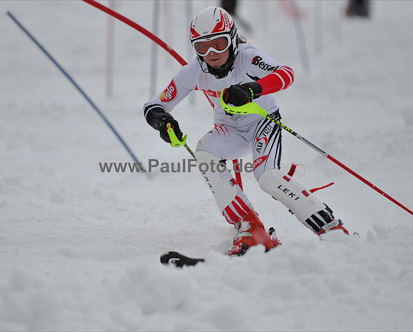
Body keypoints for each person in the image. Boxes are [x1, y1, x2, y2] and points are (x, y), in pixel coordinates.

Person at [143, 7, 349, 256]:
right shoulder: (194, 71)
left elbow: (286, 74)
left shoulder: (248, 57)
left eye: (218, 44)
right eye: (202, 47)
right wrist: (163, 121)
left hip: (262, 123)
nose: (211, 53)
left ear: (232, 38)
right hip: (229, 130)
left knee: (267, 177)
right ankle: (252, 229)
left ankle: (330, 227)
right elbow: (155, 105)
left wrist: (253, 89)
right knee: (204, 153)